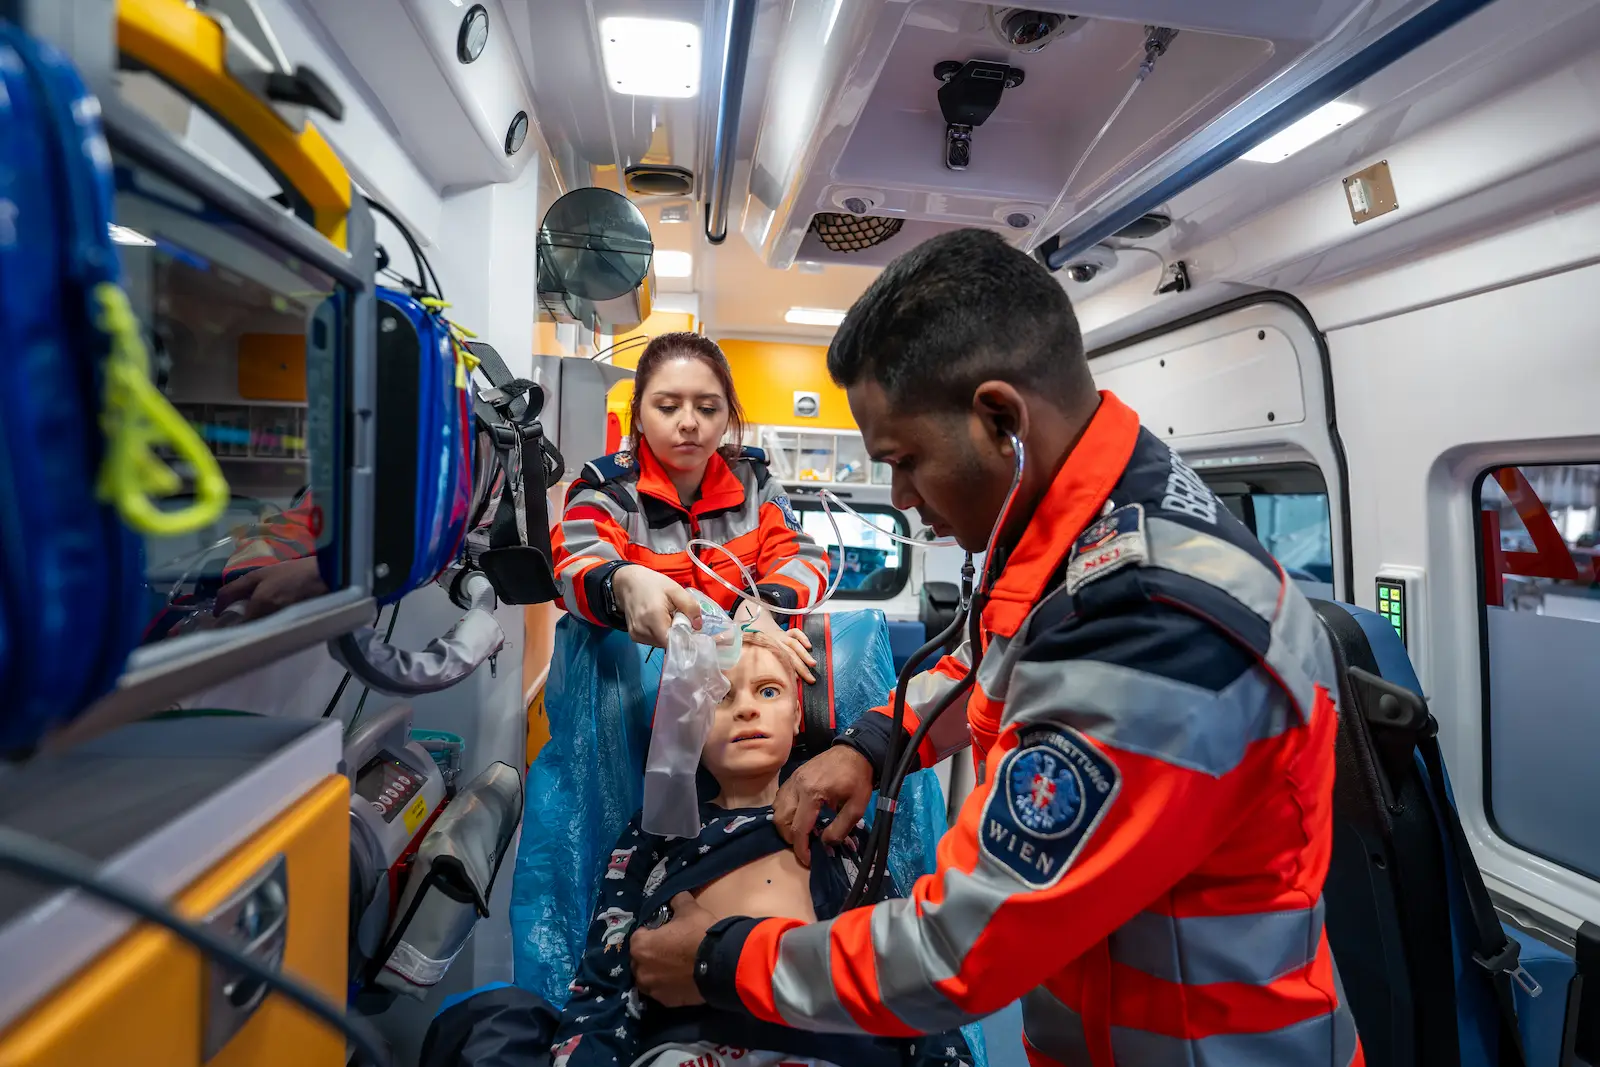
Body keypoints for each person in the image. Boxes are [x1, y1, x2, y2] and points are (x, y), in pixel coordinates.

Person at [629, 229, 1361, 1067]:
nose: (901, 499)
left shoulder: (1151, 623)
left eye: (905, 461)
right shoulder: (1083, 524)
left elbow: (956, 952)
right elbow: (991, 655)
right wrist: (877, 743)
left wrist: (720, 959)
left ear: (1000, 418)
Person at [552, 633, 973, 1067]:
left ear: (797, 716)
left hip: (831, 1041)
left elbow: (905, 965)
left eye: (768, 691)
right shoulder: (657, 832)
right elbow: (607, 971)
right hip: (693, 1046)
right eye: (719, 696)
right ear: (690, 725)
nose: (746, 708)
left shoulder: (842, 826)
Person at [551, 332, 828, 681]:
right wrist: (622, 581)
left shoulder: (754, 483)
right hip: (639, 694)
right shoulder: (606, 492)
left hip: (739, 689)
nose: (689, 422)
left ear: (727, 416)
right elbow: (568, 565)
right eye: (667, 407)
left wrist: (761, 606)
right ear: (638, 416)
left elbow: (804, 558)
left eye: (708, 408)